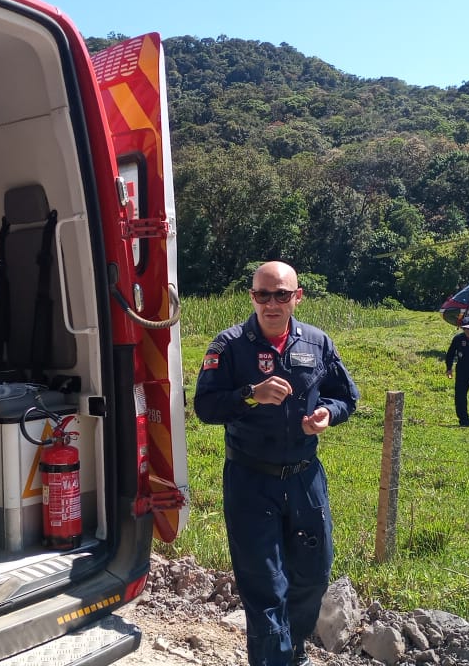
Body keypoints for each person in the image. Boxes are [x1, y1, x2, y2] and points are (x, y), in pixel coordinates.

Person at [193, 261, 359, 666]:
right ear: (251, 297)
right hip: (251, 479)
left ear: (296, 297)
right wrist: (250, 394)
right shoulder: (228, 346)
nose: (271, 303)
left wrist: (327, 415)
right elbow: (205, 406)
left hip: (304, 478)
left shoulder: (317, 343)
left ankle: (294, 647)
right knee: (265, 586)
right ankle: (276, 660)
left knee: (314, 576)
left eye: (281, 294)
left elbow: (345, 396)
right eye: (263, 294)